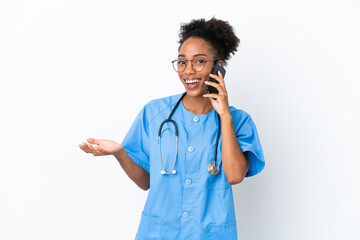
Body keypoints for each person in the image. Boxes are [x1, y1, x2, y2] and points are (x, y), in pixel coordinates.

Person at [79, 17, 265, 240]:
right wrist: (120, 154)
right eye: (182, 62)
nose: (188, 71)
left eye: (199, 62)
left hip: (209, 234)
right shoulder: (155, 112)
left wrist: (224, 115)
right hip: (158, 233)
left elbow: (234, 176)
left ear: (218, 66)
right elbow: (146, 182)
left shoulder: (239, 120)